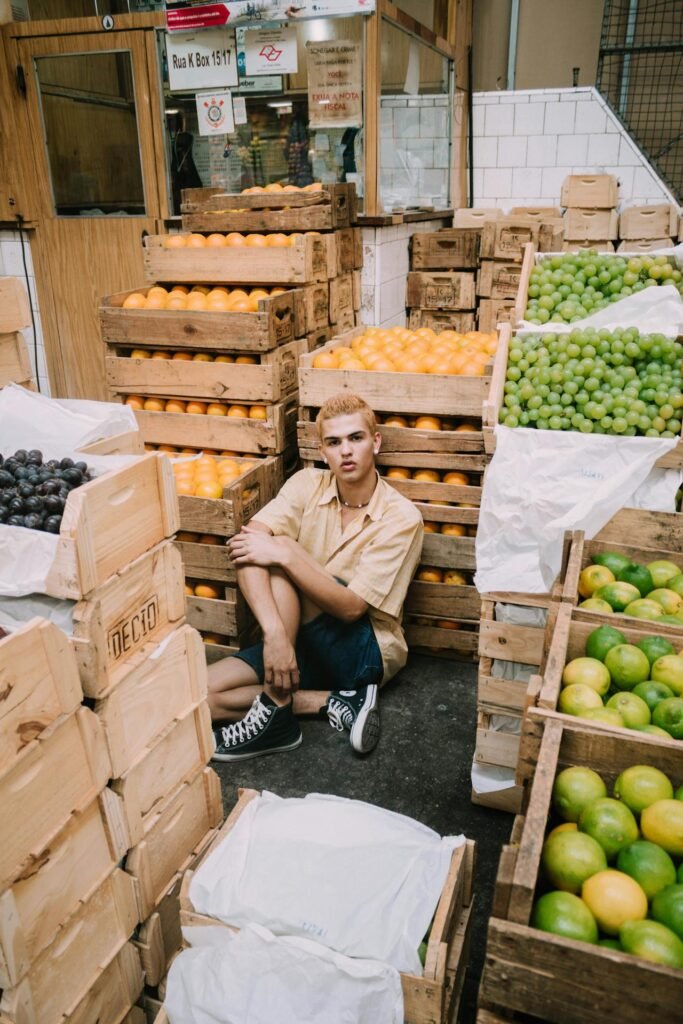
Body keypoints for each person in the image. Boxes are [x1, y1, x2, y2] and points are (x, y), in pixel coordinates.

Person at [208, 393, 424, 762]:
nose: (346, 451)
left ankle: (277, 709)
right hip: (296, 640)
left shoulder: (401, 517)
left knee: (280, 558)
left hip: (361, 652)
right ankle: (330, 702)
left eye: (356, 438)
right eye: (334, 442)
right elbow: (247, 544)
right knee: (200, 696)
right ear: (322, 451)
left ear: (375, 442)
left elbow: (353, 608)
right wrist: (276, 636)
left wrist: (287, 553)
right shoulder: (307, 483)